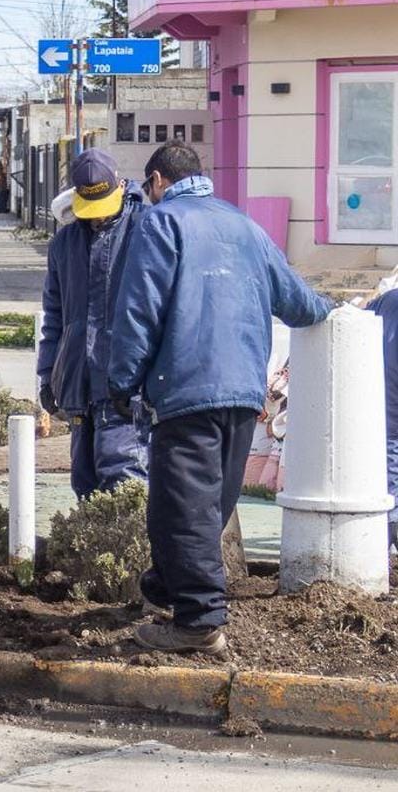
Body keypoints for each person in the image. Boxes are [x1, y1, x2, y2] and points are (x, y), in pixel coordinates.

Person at [109, 142, 332, 654]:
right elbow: (297, 302)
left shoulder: (160, 224)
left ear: (158, 181)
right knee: (207, 508)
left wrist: (122, 382)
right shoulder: (244, 225)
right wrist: (333, 309)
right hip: (243, 394)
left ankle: (199, 622)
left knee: (181, 511)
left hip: (187, 388)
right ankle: (167, 588)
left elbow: (139, 310)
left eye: (147, 187)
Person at [38, 149, 149, 499]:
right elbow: (54, 317)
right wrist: (48, 375)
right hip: (79, 386)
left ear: (120, 186)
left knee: (125, 480)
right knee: (85, 484)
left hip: (126, 388)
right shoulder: (64, 244)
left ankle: (128, 539)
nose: (97, 218)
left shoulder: (147, 230)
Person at [366, 290, 398, 556]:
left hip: (384, 400)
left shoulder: (386, 300)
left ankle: (390, 524)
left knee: (390, 461)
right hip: (389, 401)